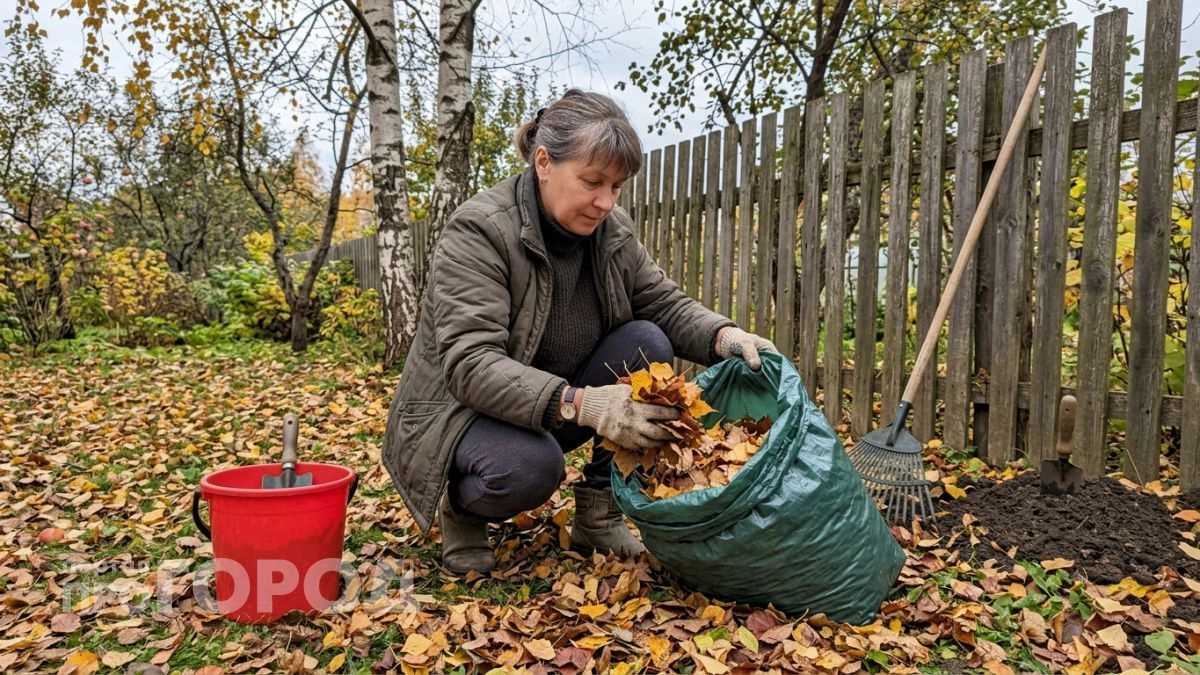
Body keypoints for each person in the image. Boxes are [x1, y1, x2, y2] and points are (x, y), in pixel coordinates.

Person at [382, 89, 777, 575]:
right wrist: (584, 403)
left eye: (617, 186)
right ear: (544, 162)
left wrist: (724, 337)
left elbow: (662, 303)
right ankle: (463, 513)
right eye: (593, 182)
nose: (605, 202)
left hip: (554, 396)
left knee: (649, 342)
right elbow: (471, 364)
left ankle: (597, 511)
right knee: (531, 468)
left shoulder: (612, 231)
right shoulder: (481, 230)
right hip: (463, 412)